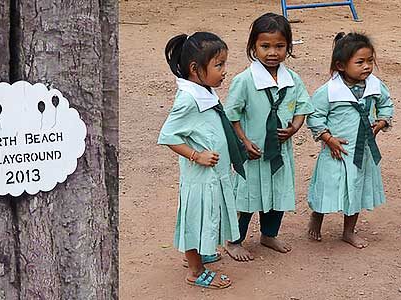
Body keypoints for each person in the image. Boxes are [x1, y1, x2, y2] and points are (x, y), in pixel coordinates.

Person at [158, 32, 246, 289]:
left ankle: (202, 250)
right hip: (200, 178)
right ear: (195, 69)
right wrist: (197, 155)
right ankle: (195, 270)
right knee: (196, 218)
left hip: (213, 176)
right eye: (219, 65)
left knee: (209, 215)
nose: (224, 71)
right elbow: (168, 136)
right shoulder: (188, 99)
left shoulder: (203, 91)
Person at [224, 13, 313, 261]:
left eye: (279, 46)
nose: (272, 52)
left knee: (277, 194)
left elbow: (302, 107)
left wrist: (295, 128)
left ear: (289, 48)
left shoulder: (292, 79)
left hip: (280, 153)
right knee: (245, 197)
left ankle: (268, 235)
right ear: (253, 47)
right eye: (265, 46)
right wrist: (243, 140)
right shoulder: (244, 81)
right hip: (253, 153)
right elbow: (232, 115)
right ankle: (234, 241)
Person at [306, 32, 393, 248]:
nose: (366, 67)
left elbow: (386, 104)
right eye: (360, 62)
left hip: (361, 152)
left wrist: (381, 123)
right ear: (341, 66)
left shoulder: (374, 86)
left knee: (356, 187)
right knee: (328, 186)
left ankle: (348, 231)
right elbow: (314, 115)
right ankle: (317, 217)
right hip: (336, 150)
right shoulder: (328, 91)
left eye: (370, 61)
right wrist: (328, 138)